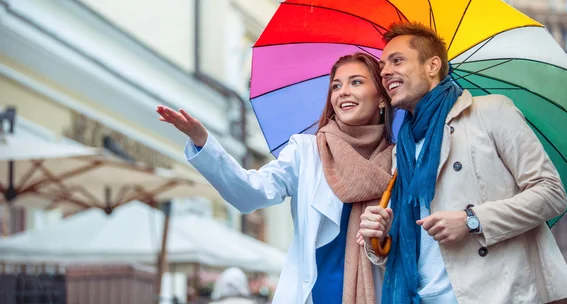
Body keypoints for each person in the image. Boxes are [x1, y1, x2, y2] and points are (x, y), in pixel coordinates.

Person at [358, 22, 567, 304]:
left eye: (397, 61)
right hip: (421, 297)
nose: (385, 71)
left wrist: (472, 220)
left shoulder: (491, 111)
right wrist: (378, 238)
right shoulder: (401, 149)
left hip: (493, 293)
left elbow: (551, 192)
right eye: (382, 67)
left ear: (432, 65)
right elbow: (410, 249)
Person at [157, 52, 395, 304]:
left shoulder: (398, 161)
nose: (343, 91)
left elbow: (411, 247)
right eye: (336, 85)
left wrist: (386, 232)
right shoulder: (308, 152)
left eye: (356, 82)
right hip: (312, 295)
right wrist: (203, 143)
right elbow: (249, 194)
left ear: (381, 97)